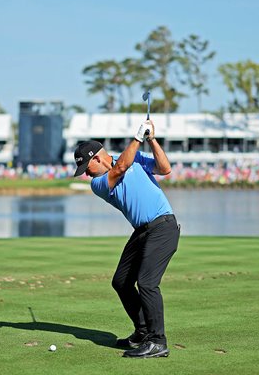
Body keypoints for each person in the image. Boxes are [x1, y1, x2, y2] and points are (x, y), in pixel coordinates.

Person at [73, 120, 180, 358]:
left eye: (86, 168)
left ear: (97, 159)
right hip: (142, 232)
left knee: (147, 283)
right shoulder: (98, 183)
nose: (86, 174)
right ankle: (142, 332)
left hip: (163, 226)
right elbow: (120, 167)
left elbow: (165, 169)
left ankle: (157, 341)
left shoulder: (136, 159)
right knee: (121, 281)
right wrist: (137, 137)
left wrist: (151, 139)